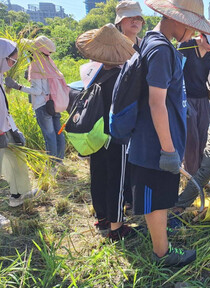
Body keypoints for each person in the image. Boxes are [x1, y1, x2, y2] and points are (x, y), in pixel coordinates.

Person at [129, 0, 210, 267]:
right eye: (191, 26)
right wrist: (168, 149)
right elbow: (156, 102)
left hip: (158, 140)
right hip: (154, 144)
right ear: (176, 19)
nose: (192, 33)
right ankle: (162, 254)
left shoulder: (155, 42)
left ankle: (160, 239)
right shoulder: (160, 49)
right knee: (154, 198)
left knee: (159, 197)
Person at [75, 23, 136, 241]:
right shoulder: (123, 77)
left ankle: (101, 218)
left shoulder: (93, 73)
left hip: (96, 133)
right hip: (115, 135)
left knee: (98, 175)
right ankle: (116, 227)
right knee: (116, 179)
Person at [179, 20, 210, 175]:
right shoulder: (186, 46)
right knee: (191, 139)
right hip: (186, 98)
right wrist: (182, 100)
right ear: (201, 35)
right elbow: (178, 75)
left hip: (203, 98)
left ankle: (201, 172)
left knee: (203, 136)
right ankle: (191, 176)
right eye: (209, 42)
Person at [5, 36, 66, 164]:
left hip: (43, 106)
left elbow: (37, 91)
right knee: (58, 133)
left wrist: (18, 86)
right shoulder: (50, 63)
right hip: (55, 104)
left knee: (49, 136)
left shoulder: (36, 65)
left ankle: (51, 165)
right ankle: (59, 161)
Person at [0, 38, 38, 207]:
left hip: (4, 128)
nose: (12, 64)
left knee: (17, 158)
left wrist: (10, 127)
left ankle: (19, 194)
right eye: (11, 61)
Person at [115, 0, 145, 215]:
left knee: (137, 154)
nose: (135, 21)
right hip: (120, 111)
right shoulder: (112, 45)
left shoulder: (144, 45)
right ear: (120, 21)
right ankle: (126, 198)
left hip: (141, 108)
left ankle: (136, 196)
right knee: (122, 155)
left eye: (139, 18)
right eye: (130, 17)